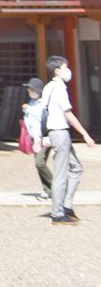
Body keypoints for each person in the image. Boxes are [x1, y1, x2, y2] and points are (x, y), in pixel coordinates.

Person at [40, 56, 96, 225]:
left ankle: (67, 206)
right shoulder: (58, 89)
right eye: (65, 67)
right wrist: (84, 134)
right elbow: (68, 113)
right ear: (57, 70)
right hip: (60, 131)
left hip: (55, 131)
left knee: (76, 168)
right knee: (61, 173)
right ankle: (58, 213)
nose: (68, 70)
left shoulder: (48, 87)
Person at [22, 77, 53, 200]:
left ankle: (55, 185)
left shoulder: (43, 103)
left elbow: (42, 118)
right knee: (39, 164)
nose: (29, 91)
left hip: (43, 137)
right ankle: (47, 189)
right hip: (34, 137)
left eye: (31, 89)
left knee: (39, 162)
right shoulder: (31, 102)